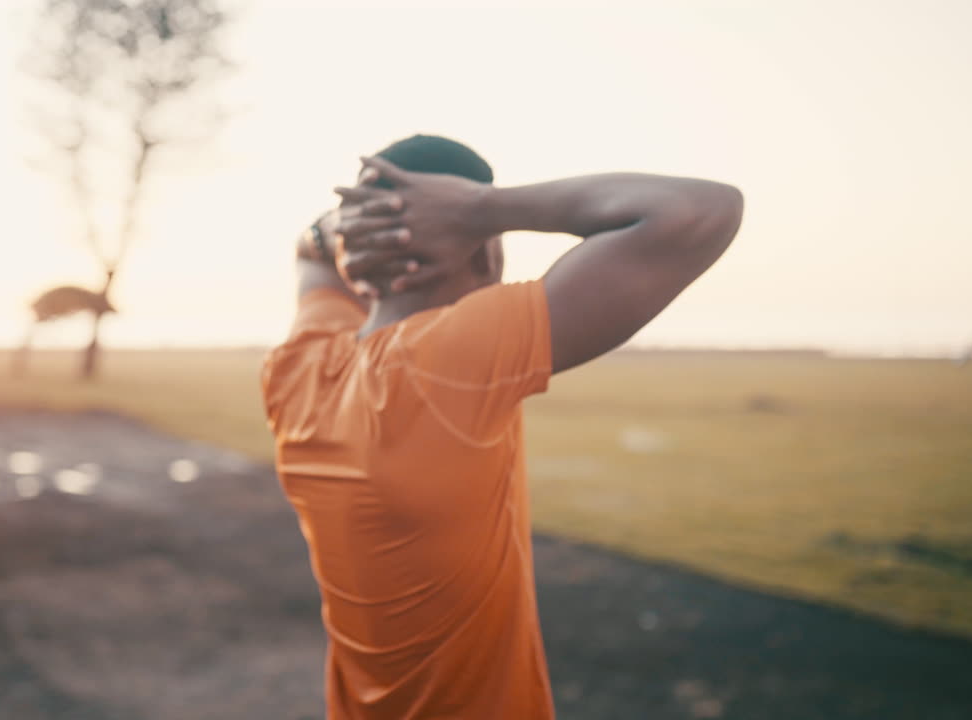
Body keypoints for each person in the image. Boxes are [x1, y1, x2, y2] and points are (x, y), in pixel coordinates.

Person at [260, 134, 743, 719]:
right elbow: (704, 211)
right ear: (484, 253)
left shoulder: (297, 368)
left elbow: (310, 255)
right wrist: (480, 210)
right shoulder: (447, 360)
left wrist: (346, 223)